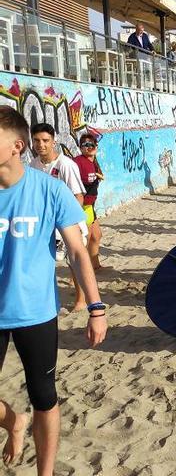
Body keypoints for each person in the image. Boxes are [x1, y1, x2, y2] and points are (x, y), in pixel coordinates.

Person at [0, 105, 108, 475]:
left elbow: (78, 252)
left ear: (16, 145)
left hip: (35, 310)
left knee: (43, 396)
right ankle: (13, 422)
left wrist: (96, 307)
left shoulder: (49, 190)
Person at [30, 123, 88, 310]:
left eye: (45, 140)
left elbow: (78, 196)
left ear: (53, 141)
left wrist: (67, 221)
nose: (41, 145)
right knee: (44, 261)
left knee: (74, 262)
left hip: (66, 222)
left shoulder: (66, 165)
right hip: (44, 223)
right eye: (37, 140)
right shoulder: (33, 165)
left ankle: (81, 299)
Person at [73, 133, 104, 271]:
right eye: (85, 144)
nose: (89, 147)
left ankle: (95, 266)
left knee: (97, 236)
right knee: (85, 239)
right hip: (83, 206)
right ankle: (80, 271)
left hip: (91, 205)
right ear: (80, 147)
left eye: (92, 144)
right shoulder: (78, 162)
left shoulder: (93, 161)